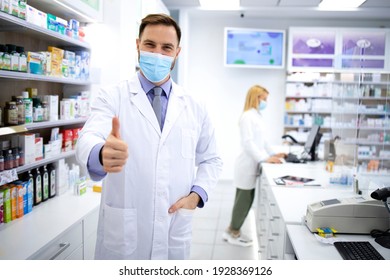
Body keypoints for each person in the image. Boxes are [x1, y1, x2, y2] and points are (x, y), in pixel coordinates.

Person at [76, 13, 223, 260]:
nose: (158, 54)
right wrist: (101, 154)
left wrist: (196, 195)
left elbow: (212, 159)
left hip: (174, 225)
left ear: (178, 52)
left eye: (167, 48)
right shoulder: (113, 96)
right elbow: (87, 138)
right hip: (123, 234)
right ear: (137, 45)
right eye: (150, 45)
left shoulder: (195, 105)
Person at [223, 85, 285, 247]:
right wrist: (265, 158)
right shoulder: (247, 117)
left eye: (266, 99)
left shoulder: (256, 116)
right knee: (243, 201)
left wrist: (272, 154)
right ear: (255, 97)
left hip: (252, 164)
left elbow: (262, 141)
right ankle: (233, 233)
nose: (265, 102)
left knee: (245, 200)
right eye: (263, 98)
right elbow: (248, 143)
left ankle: (231, 230)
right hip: (246, 165)